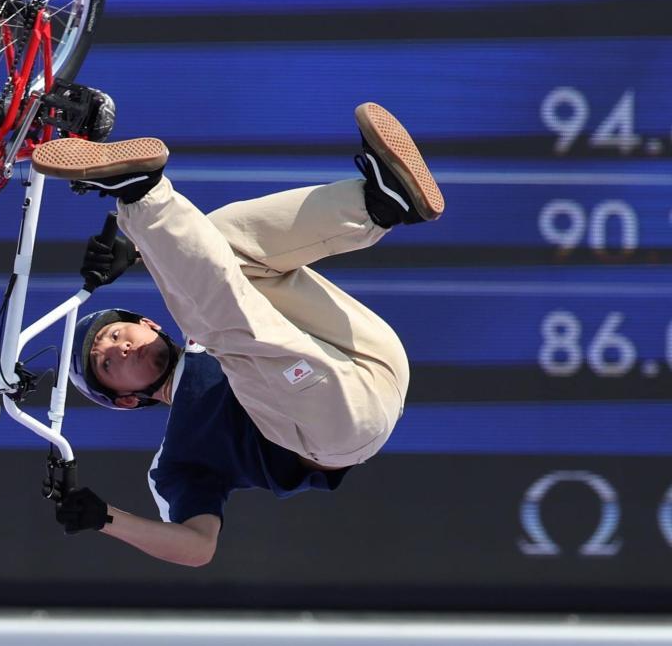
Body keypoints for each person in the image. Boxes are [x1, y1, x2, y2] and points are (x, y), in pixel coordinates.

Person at [31, 102, 445, 567]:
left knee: (219, 241)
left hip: (365, 352)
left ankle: (379, 203)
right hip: (340, 427)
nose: (120, 347)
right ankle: (142, 196)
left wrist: (140, 251)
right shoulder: (177, 457)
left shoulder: (197, 324)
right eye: (107, 364)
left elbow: (205, 273)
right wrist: (105, 518)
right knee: (218, 329)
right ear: (125, 399)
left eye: (117, 334)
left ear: (149, 325)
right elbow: (197, 547)